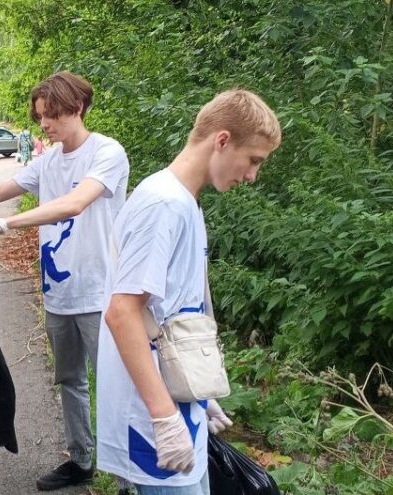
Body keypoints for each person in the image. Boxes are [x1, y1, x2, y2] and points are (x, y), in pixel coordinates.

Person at [0, 71, 130, 491]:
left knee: (117, 386)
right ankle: (81, 460)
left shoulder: (107, 153)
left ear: (78, 108)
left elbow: (74, 203)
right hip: (58, 294)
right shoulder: (48, 159)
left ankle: (127, 479)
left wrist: (4, 225)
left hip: (101, 293)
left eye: (51, 116)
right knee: (69, 380)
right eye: (40, 117)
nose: (44, 125)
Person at [97, 89, 281, 494]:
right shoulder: (163, 205)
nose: (252, 176)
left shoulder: (186, 203)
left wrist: (195, 391)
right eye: (253, 160)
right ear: (222, 140)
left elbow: (171, 312)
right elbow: (122, 312)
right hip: (152, 424)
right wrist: (164, 416)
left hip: (179, 408)